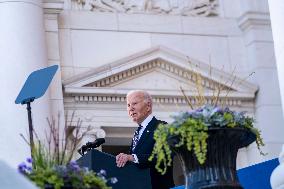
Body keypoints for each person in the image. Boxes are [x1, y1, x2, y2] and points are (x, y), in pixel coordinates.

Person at [116, 90, 175, 189]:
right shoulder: (137, 133)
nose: (131, 108)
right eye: (128, 105)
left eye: (134, 103)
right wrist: (124, 159)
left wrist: (132, 157)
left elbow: (163, 157)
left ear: (148, 106)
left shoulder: (162, 127)